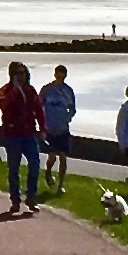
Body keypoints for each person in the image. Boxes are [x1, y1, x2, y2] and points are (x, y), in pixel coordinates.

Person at [0, 60, 45, 215]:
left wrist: (43, 128)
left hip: (29, 134)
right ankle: (15, 200)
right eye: (18, 73)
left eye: (23, 73)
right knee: (13, 169)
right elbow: (1, 104)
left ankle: (31, 196)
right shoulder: (5, 90)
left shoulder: (31, 90)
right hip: (13, 135)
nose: (21, 76)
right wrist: (15, 91)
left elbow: (39, 109)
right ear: (12, 75)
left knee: (35, 165)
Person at [42, 64, 78, 197]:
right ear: (55, 74)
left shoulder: (68, 91)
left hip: (63, 129)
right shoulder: (47, 89)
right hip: (49, 128)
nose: (60, 77)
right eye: (58, 74)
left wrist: (67, 118)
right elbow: (38, 105)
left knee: (63, 157)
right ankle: (48, 172)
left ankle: (61, 185)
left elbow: (73, 109)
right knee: (52, 157)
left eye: (62, 75)